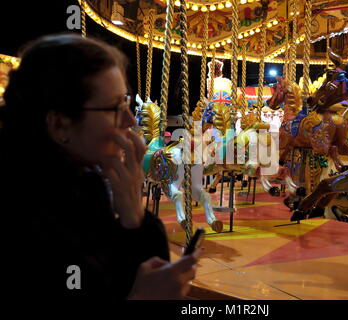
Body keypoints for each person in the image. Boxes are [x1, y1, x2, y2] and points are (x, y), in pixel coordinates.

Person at [0, 34, 199, 299]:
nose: (129, 120)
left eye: (126, 102)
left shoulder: (87, 186)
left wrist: (134, 215)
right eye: (115, 107)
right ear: (60, 124)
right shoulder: (25, 212)